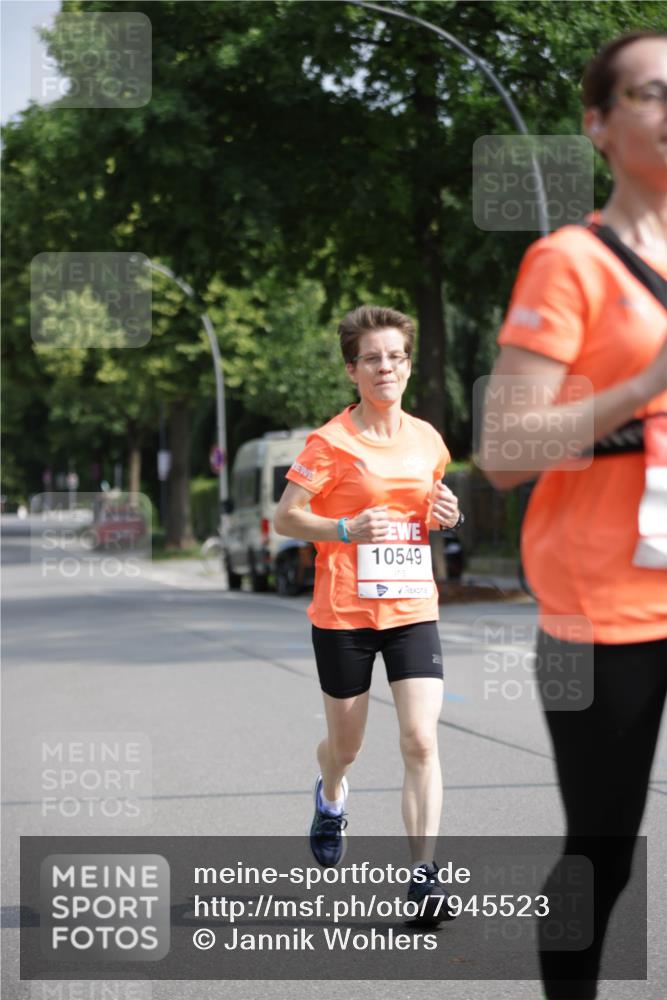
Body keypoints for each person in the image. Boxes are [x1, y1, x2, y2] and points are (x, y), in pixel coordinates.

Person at [483, 31, 667, 1000]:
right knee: (602, 853)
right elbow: (503, 452)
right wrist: (643, 384)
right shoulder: (569, 263)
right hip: (603, 612)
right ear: (598, 124)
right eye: (652, 93)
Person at [274, 305, 461, 923]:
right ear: (353, 370)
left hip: (411, 606)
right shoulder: (330, 443)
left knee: (420, 739)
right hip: (345, 613)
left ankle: (425, 878)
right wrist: (344, 528)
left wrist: (448, 514)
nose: (386, 367)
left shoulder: (428, 440)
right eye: (372, 358)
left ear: (408, 366)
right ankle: (330, 796)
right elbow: (285, 517)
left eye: (396, 357)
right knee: (346, 747)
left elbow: (430, 505)